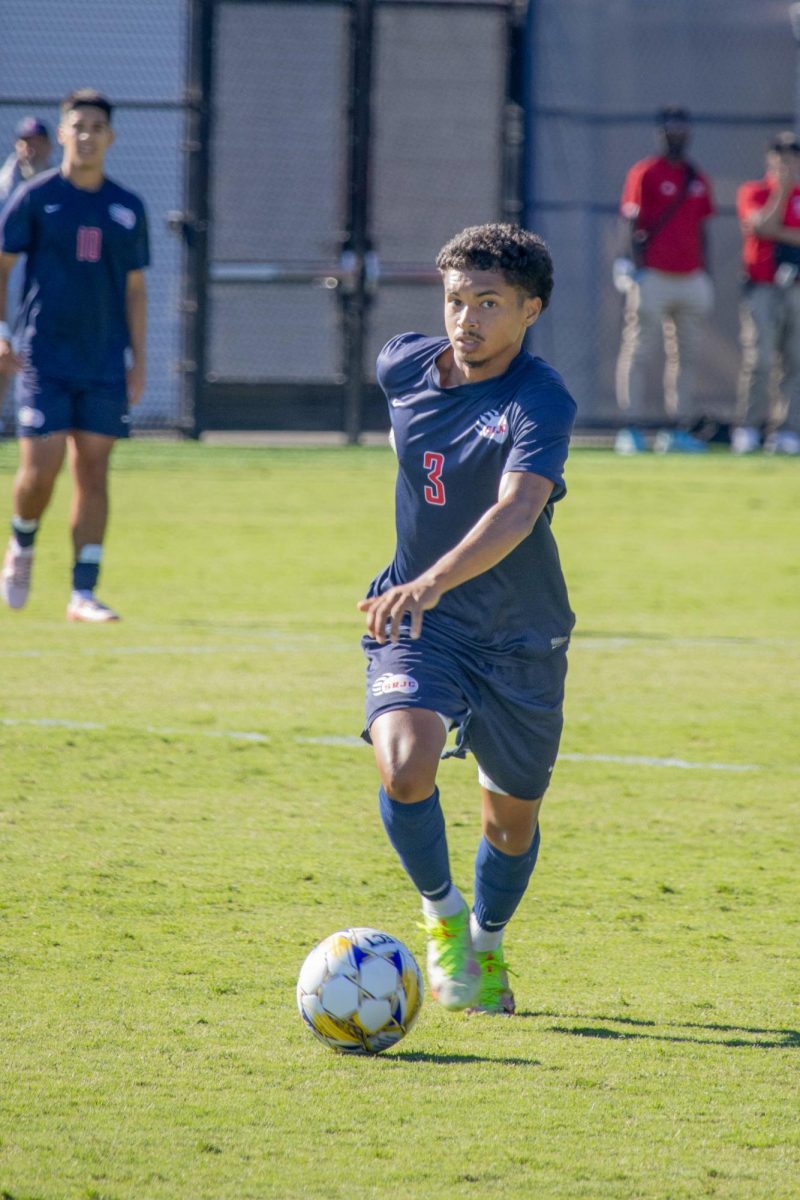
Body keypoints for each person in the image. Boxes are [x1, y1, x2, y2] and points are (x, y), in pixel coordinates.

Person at [357, 223, 576, 1015]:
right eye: (456, 300)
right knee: (406, 764)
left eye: (489, 303)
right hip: (424, 623)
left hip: (522, 636)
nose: (467, 319)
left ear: (530, 311)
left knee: (510, 822)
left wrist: (436, 578)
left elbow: (517, 510)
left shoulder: (540, 399)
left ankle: (486, 937)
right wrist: (420, 590)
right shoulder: (403, 365)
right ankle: (444, 916)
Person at [0, 89, 149, 621]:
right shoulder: (36, 198)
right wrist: (1, 332)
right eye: (77, 126)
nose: (86, 135)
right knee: (41, 469)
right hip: (44, 358)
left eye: (96, 127)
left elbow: (135, 288)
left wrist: (139, 358)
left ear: (111, 138)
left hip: (104, 362)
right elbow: (2, 266)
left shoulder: (127, 207)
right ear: (62, 134)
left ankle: (82, 591)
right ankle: (21, 544)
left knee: (94, 469)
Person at [613, 107, 715, 454]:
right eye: (671, 128)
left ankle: (679, 428)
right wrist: (630, 263)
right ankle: (632, 427)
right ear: (660, 133)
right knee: (640, 350)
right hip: (652, 276)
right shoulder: (646, 172)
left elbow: (702, 230)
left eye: (682, 128)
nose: (677, 134)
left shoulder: (696, 176)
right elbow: (629, 221)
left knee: (686, 357)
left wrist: (706, 272)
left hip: (690, 278)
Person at [733, 131, 800, 456]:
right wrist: (782, 193)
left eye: (792, 159)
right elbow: (761, 226)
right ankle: (748, 427)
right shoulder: (755, 191)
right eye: (780, 159)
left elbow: (774, 231)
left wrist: (780, 234)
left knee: (794, 360)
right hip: (761, 286)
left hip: (795, 290)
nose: (787, 166)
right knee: (758, 358)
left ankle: (785, 429)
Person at [0, 117, 53, 433]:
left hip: (36, 299)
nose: (30, 149)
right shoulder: (5, 189)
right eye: (24, 142)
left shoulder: (57, 186)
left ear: (49, 145)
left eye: (36, 142)